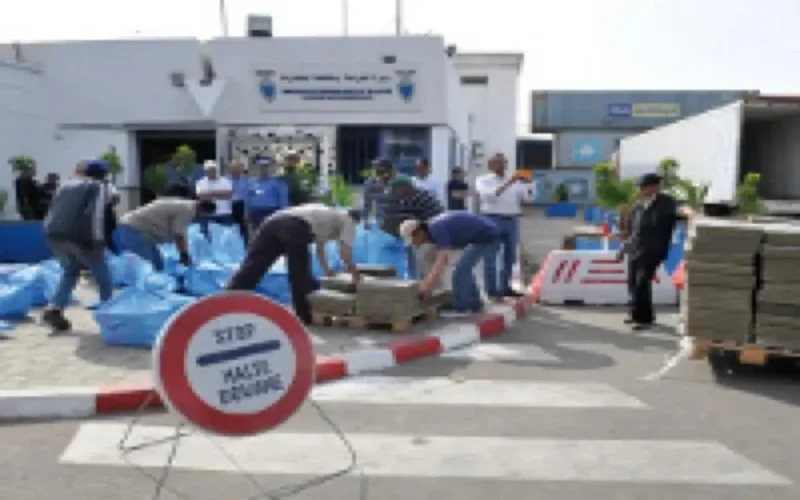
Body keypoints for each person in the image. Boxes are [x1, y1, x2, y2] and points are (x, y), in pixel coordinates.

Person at [226, 204, 362, 324]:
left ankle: (225, 301)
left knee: (252, 268)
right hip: (295, 226)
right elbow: (344, 251)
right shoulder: (349, 220)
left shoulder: (328, 217)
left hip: (271, 223)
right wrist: (355, 274)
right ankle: (305, 316)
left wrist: (327, 270)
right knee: (299, 273)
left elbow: (320, 248)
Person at [615, 173, 693, 330]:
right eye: (641, 187)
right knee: (632, 282)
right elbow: (632, 233)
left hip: (654, 250)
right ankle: (635, 314)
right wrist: (623, 249)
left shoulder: (667, 203)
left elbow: (683, 209)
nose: (642, 190)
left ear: (656, 187)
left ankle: (644, 320)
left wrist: (690, 213)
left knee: (642, 281)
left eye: (646, 187)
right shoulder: (637, 207)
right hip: (636, 249)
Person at [41, 160, 112, 332]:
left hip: (52, 233)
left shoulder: (65, 185)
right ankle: (111, 315)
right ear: (104, 175)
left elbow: (53, 210)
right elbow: (96, 215)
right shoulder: (96, 187)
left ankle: (55, 308)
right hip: (77, 236)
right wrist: (96, 241)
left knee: (70, 271)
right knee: (103, 274)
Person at [400, 212, 502, 315]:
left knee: (460, 272)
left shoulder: (436, 229)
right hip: (478, 237)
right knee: (463, 269)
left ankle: (464, 306)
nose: (415, 244)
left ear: (420, 232)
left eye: (414, 240)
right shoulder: (432, 230)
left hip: (488, 237)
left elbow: (442, 260)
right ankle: (474, 304)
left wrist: (427, 285)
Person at [474, 153, 535, 299]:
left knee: (509, 256)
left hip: (512, 219)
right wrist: (510, 182)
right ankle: (491, 290)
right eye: (498, 163)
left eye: (503, 163)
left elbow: (528, 198)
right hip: (491, 219)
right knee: (490, 255)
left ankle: (504, 287)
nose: (501, 166)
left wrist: (529, 184)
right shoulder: (483, 180)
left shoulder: (515, 181)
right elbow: (489, 196)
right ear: (490, 165)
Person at [118, 198, 217, 270]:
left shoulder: (186, 206)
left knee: (158, 265)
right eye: (205, 215)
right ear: (201, 209)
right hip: (134, 229)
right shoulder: (188, 210)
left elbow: (180, 233)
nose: (202, 218)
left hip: (133, 229)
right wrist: (184, 255)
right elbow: (178, 234)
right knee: (150, 268)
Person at [383, 175, 444, 278]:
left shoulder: (412, 199)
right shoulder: (418, 194)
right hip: (432, 232)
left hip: (430, 236)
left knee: (422, 263)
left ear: (404, 188)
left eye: (396, 191)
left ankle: (421, 282)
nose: (395, 194)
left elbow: (404, 221)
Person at [247, 155, 289, 229]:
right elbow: (249, 198)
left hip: (271, 212)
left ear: (271, 168)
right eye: (260, 167)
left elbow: (283, 200)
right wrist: (248, 213)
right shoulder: (251, 182)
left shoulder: (278, 182)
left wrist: (283, 215)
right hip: (255, 213)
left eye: (265, 166)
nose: (263, 169)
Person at [195, 160, 234, 237]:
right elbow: (200, 196)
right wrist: (220, 194)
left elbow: (229, 194)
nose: (212, 172)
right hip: (207, 214)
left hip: (224, 213)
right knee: (206, 237)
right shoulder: (200, 182)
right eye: (209, 170)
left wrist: (209, 193)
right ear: (205, 171)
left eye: (213, 170)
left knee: (226, 236)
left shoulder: (225, 181)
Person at [362, 158, 395, 229]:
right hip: (382, 219)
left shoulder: (398, 181)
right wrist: (365, 220)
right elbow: (367, 204)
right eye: (376, 170)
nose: (377, 172)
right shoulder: (371, 183)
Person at [228, 160, 250, 243]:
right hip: (229, 207)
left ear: (241, 169)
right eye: (233, 168)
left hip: (242, 206)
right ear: (230, 169)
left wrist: (246, 212)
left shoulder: (247, 181)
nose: (235, 170)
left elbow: (248, 197)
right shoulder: (225, 181)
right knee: (231, 230)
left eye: (237, 168)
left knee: (243, 230)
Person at [104, 178, 121, 254]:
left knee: (108, 236)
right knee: (109, 236)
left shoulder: (108, 185)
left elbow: (116, 198)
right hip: (108, 211)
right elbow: (117, 198)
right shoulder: (109, 186)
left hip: (107, 211)